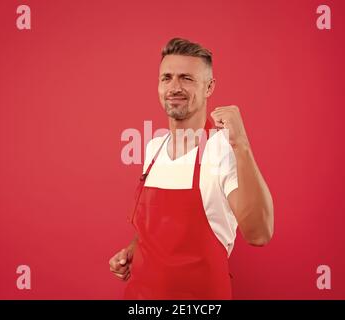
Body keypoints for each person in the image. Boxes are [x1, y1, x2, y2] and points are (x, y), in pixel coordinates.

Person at [109, 38, 274, 299]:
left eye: (186, 78)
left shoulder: (223, 150)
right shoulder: (154, 147)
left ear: (209, 87)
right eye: (167, 78)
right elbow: (155, 229)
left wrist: (241, 144)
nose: (175, 87)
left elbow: (260, 233)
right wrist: (133, 250)